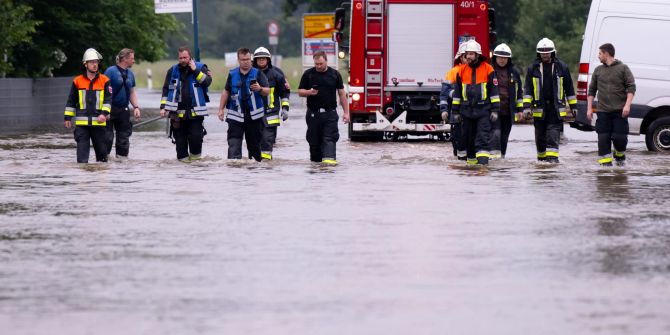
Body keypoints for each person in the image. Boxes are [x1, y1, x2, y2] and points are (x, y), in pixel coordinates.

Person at [523, 37, 577, 163]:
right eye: (542, 52)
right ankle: (542, 166)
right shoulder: (533, 68)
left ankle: (553, 163)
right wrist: (526, 107)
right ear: (539, 53)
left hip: (555, 108)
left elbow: (569, 88)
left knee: (553, 136)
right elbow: (528, 90)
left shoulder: (562, 67)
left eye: (547, 52)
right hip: (539, 109)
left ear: (552, 52)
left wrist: (573, 107)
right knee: (540, 139)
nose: (545, 54)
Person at [451, 40, 500, 165]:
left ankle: (483, 166)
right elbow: (457, 94)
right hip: (466, 111)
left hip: (483, 110)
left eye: (471, 54)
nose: (468, 57)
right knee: (469, 140)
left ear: (477, 55)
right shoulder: (461, 71)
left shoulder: (488, 69)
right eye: (467, 54)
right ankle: (472, 171)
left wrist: (495, 110)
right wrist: (455, 111)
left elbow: (494, 92)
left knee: (482, 138)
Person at [160, 46, 212, 162]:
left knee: (196, 141)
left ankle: (195, 169)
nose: (183, 60)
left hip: (196, 115)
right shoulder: (172, 71)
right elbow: (166, 90)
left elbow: (207, 82)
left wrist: (195, 70)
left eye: (185, 57)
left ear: (190, 57)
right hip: (177, 116)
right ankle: (183, 174)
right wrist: (163, 107)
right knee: (181, 150)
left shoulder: (200, 67)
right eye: (180, 58)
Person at [587, 43, 636, 166]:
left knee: (620, 139)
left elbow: (631, 87)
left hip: (619, 111)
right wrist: (589, 109)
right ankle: (605, 170)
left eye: (600, 53)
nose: (598, 56)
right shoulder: (598, 70)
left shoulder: (623, 68)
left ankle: (620, 157)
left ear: (606, 54)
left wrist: (627, 105)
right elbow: (591, 90)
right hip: (603, 111)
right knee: (603, 139)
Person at [217, 47, 269, 162]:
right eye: (243, 59)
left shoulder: (258, 73)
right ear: (238, 60)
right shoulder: (232, 74)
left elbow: (267, 91)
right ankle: (235, 173)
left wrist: (260, 89)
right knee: (233, 146)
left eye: (247, 59)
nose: (246, 62)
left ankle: (253, 173)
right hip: (235, 116)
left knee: (254, 150)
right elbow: (226, 91)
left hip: (254, 118)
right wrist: (220, 109)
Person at [298, 50, 349, 165]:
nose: (318, 66)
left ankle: (329, 168)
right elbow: (300, 92)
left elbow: (342, 94)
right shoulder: (308, 74)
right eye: (316, 64)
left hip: (330, 114)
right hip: (313, 114)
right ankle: (316, 171)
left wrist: (346, 113)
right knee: (314, 143)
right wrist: (309, 92)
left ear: (326, 61)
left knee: (329, 139)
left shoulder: (335, 74)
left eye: (321, 63)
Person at [64, 48, 111, 163]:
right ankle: (84, 180)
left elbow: (108, 100)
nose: (95, 65)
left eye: (96, 62)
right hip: (82, 126)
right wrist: (67, 117)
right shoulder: (77, 81)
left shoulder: (105, 80)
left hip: (99, 124)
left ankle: (100, 180)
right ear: (85, 64)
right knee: (82, 161)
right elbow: (71, 101)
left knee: (102, 161)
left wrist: (104, 114)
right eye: (92, 62)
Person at [252, 46, 290, 160]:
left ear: (268, 59)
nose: (261, 60)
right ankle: (260, 164)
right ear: (255, 60)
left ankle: (265, 166)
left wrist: (285, 108)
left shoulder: (277, 74)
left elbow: (284, 92)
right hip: (255, 112)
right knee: (256, 141)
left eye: (264, 58)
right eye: (259, 59)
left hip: (271, 113)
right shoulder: (251, 73)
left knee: (267, 140)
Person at [104, 48, 141, 160]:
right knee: (107, 137)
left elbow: (132, 92)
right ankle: (104, 160)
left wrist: (136, 107)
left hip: (123, 110)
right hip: (110, 109)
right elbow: (103, 91)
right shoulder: (110, 71)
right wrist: (105, 110)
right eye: (132, 58)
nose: (133, 61)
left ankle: (122, 162)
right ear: (124, 59)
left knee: (124, 138)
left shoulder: (131, 74)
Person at [490, 43, 524, 158]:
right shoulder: (489, 70)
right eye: (500, 57)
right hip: (493, 110)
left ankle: (502, 158)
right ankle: (494, 160)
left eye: (505, 58)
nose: (502, 60)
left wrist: (520, 110)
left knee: (504, 137)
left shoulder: (514, 72)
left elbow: (519, 92)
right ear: (495, 57)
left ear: (508, 59)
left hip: (508, 111)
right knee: (495, 134)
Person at [440, 42, 468, 160]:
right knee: (457, 141)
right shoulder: (453, 72)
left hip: (474, 113)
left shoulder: (479, 71)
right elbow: (444, 93)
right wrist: (444, 110)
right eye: (466, 56)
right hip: (456, 113)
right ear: (461, 57)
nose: (469, 58)